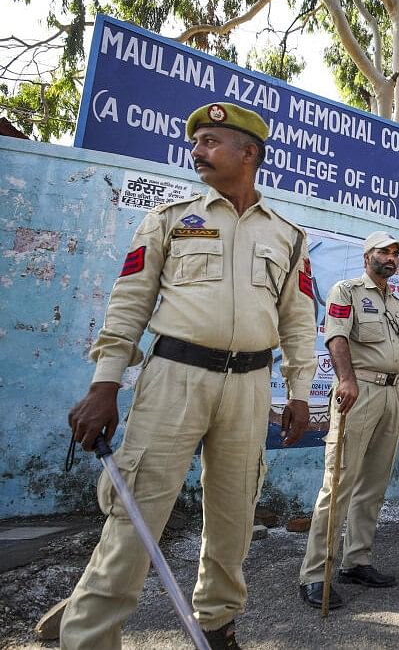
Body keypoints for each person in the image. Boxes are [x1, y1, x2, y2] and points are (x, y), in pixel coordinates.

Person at [60, 102, 316, 649]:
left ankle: (217, 623)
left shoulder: (288, 236)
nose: (196, 150)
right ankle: (89, 637)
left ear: (249, 153)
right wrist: (105, 384)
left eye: (210, 141)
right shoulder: (170, 218)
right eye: (195, 141)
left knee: (234, 514)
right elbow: (128, 303)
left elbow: (297, 319)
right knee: (136, 513)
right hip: (174, 376)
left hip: (250, 386)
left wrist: (297, 392)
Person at [298, 231, 399, 609]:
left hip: (392, 395)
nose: (391, 258)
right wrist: (345, 379)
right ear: (367, 256)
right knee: (339, 482)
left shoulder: (397, 305)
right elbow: (336, 337)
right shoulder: (346, 291)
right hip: (358, 390)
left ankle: (357, 560)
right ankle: (316, 574)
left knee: (373, 486)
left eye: (396, 253)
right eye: (384, 251)